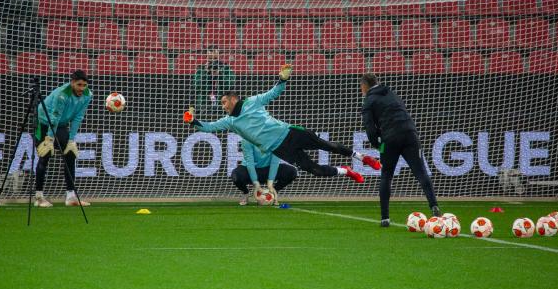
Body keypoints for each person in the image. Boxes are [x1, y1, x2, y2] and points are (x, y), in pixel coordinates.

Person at [184, 64, 381, 184]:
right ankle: (346, 171)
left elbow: (273, 93)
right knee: (315, 170)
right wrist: (193, 121)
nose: (223, 106)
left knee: (326, 145)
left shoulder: (252, 102)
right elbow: (208, 127)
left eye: (224, 102)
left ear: (233, 99)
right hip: (281, 150)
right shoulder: (230, 122)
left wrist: (282, 79)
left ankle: (363, 158)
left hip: (289, 133)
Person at [360, 73, 441, 227]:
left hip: (389, 139)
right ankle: (434, 205)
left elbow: (370, 129)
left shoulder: (368, 101)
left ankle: (385, 218)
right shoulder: (391, 92)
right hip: (410, 134)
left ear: (364, 86)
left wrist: (378, 144)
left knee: (386, 175)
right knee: (421, 172)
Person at [34, 70, 92, 208]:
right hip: (44, 122)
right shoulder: (62, 95)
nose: (81, 88)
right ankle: (39, 197)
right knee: (45, 155)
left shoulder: (87, 95)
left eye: (84, 85)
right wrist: (49, 138)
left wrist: (71, 139)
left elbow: (78, 117)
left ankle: (71, 197)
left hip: (60, 124)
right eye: (79, 85)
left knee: (70, 153)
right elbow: (54, 117)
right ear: (72, 82)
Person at [231, 139, 298, 206]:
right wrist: (255, 183)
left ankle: (274, 192)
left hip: (269, 169)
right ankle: (246, 193)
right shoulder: (246, 138)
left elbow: (275, 162)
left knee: (292, 172)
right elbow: (250, 162)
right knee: (236, 176)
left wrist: (270, 183)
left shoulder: (275, 138)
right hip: (251, 169)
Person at [193, 48, 235, 116]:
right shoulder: (200, 69)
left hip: (222, 107)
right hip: (204, 106)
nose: (213, 61)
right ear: (206, 57)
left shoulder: (226, 69)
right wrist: (206, 73)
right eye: (210, 58)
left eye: (215, 58)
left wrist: (220, 75)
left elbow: (230, 86)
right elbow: (197, 86)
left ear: (219, 57)